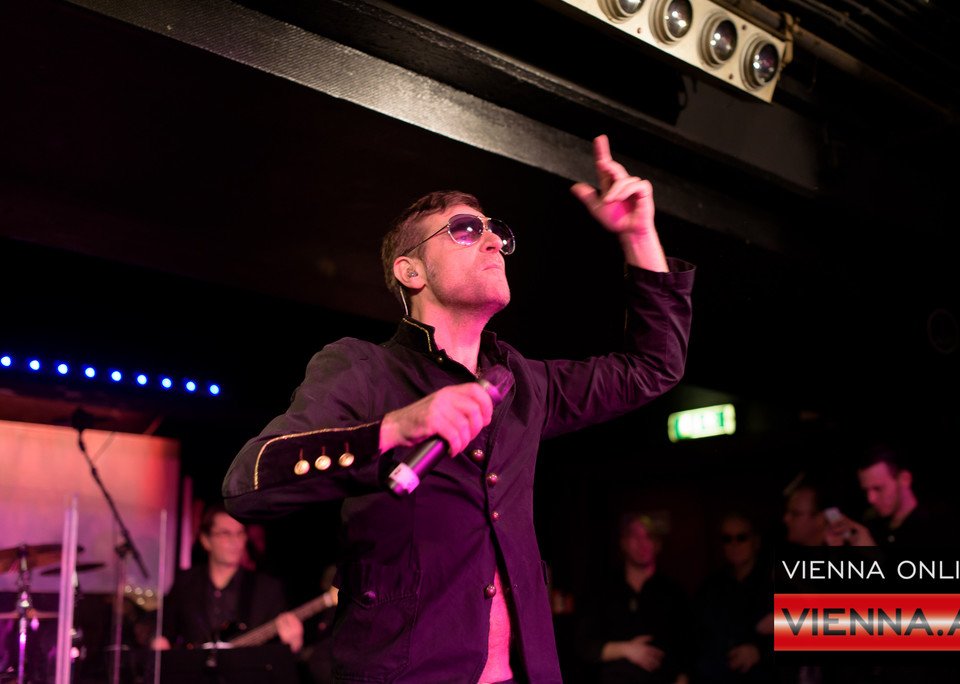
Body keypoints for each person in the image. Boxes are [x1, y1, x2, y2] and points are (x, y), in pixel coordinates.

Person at [221, 134, 694, 682]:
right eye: (466, 230)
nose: (492, 240)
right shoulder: (362, 368)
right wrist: (394, 428)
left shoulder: (523, 383)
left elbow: (654, 368)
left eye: (495, 231)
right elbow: (246, 485)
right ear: (411, 272)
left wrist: (639, 235)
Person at [152, 503, 303, 653]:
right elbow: (162, 628)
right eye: (225, 533)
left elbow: (278, 655)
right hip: (192, 667)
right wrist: (159, 642)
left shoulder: (267, 589)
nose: (235, 541)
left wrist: (292, 645)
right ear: (206, 540)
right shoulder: (186, 583)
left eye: (240, 533)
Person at [575, 513, 690, 684]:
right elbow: (584, 646)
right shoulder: (603, 590)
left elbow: (687, 649)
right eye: (634, 536)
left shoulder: (673, 592)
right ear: (623, 542)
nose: (642, 543)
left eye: (648, 536)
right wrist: (627, 650)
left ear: (657, 544)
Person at [824, 442, 960, 548]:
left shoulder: (939, 525)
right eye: (866, 491)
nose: (870, 499)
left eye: (878, 489)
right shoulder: (872, 525)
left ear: (904, 479)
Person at [692, 513, 772, 683]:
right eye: (727, 539)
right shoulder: (711, 587)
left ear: (755, 541)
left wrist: (761, 652)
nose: (734, 545)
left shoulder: (776, 582)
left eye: (741, 538)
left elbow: (813, 630)